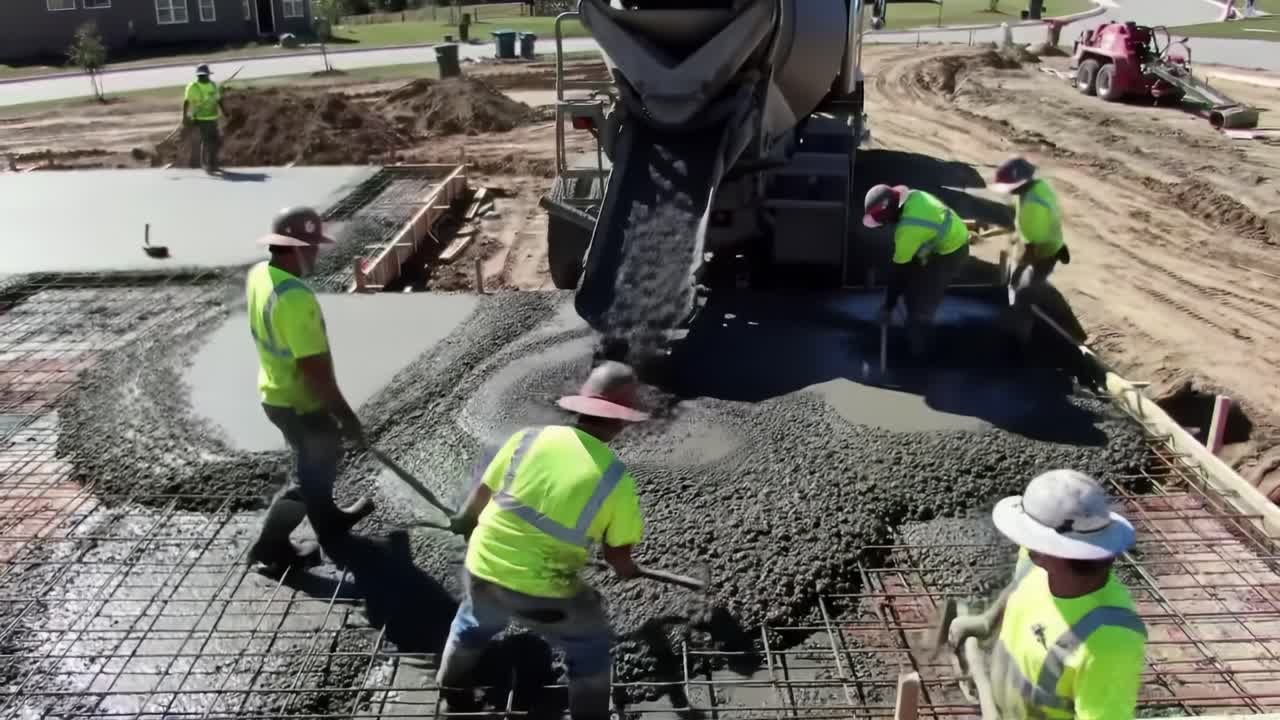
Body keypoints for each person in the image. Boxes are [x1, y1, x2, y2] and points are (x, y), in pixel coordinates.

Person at [437, 361, 650, 720]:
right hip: (543, 590)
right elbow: (617, 556)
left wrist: (464, 521)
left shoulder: (527, 439)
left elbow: (479, 499)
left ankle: (450, 691)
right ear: (621, 420)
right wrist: (628, 570)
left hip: (483, 566)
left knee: (473, 621)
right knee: (591, 644)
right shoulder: (615, 477)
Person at [950, 469, 1147, 720]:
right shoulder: (1041, 561)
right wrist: (987, 621)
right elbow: (1019, 583)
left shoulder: (1109, 643)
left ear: (1044, 552)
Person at [246, 207, 375, 575]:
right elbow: (314, 370)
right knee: (311, 477)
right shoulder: (294, 298)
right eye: (312, 247)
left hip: (275, 393)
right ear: (294, 248)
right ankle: (271, 547)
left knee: (320, 462)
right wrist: (347, 418)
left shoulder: (260, 274)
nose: (317, 254)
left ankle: (329, 520)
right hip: (300, 401)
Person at [863, 183, 971, 357]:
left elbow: (899, 272)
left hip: (952, 252)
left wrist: (888, 306)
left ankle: (920, 358)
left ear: (890, 214)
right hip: (946, 236)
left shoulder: (908, 229)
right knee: (912, 285)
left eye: (883, 221)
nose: (885, 225)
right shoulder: (914, 196)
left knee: (920, 305)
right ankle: (915, 336)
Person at [991, 156, 1070, 344]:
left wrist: (1018, 272)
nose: (1010, 192)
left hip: (1043, 253)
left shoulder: (1032, 207)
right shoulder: (1039, 187)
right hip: (1048, 243)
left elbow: (1031, 249)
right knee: (1016, 284)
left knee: (1023, 296)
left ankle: (1020, 341)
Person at [183, 64, 226, 173]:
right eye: (200, 76)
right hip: (201, 118)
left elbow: (218, 100)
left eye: (204, 75)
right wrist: (184, 116)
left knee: (214, 141)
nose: (202, 77)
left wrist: (225, 111)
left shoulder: (213, 85)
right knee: (208, 141)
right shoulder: (193, 87)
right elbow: (186, 101)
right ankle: (208, 164)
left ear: (208, 75)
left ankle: (211, 163)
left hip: (213, 118)